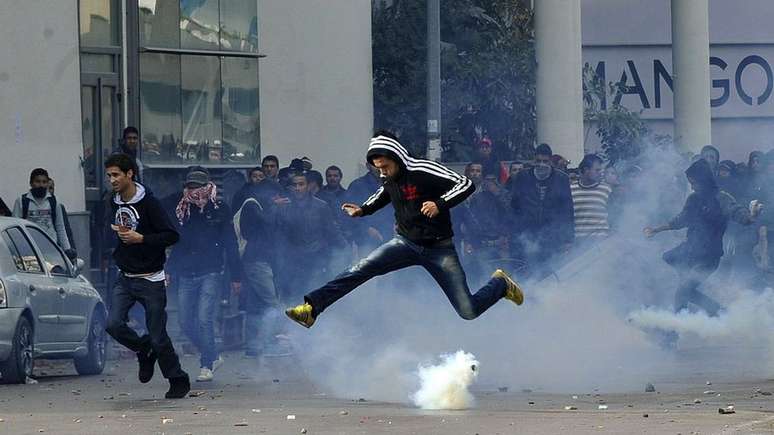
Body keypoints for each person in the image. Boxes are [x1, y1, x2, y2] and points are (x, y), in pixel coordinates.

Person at [284, 132, 525, 329]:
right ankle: (311, 309)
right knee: (360, 269)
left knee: (468, 310)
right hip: (405, 243)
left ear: (396, 158)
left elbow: (466, 184)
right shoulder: (389, 176)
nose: (382, 173)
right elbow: (384, 193)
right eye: (378, 168)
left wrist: (439, 203)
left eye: (385, 167)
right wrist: (363, 209)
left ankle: (501, 284)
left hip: (439, 249)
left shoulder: (423, 169)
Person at [103, 153, 190, 399]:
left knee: (158, 335)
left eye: (116, 175)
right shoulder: (112, 201)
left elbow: (171, 235)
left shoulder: (150, 203)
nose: (112, 180)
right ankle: (144, 349)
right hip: (125, 276)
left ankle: (177, 378)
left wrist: (141, 238)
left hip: (151, 278)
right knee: (113, 324)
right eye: (109, 176)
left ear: (130, 174)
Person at [644, 159, 761, 316]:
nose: (692, 187)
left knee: (683, 291)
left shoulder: (722, 198)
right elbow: (681, 220)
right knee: (682, 284)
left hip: (709, 257)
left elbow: (738, 213)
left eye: (694, 183)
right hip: (689, 251)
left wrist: (752, 216)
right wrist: (656, 230)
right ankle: (716, 312)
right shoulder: (693, 199)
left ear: (704, 181)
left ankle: (685, 322)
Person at [168, 167, 240, 382]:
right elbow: (178, 243)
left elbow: (230, 243)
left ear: (207, 187)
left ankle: (206, 364)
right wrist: (170, 269)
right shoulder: (183, 209)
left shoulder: (220, 209)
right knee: (184, 321)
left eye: (198, 187)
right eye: (190, 187)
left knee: (204, 319)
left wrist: (236, 276)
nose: (194, 192)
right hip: (186, 272)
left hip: (211, 271)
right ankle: (213, 354)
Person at [274, 172, 347, 303]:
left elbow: (332, 231)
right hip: (294, 261)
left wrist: (345, 249)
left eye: (301, 184)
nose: (298, 188)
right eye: (295, 185)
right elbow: (278, 234)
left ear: (308, 186)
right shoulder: (285, 207)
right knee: (294, 297)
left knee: (315, 294)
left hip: (317, 258)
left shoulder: (321, 206)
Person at [510, 144, 575, 277]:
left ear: (550, 161)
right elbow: (514, 206)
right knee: (526, 273)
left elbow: (567, 210)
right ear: (534, 160)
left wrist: (568, 239)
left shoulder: (561, 179)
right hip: (527, 234)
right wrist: (513, 233)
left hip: (552, 235)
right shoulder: (523, 177)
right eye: (538, 161)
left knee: (550, 272)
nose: (541, 165)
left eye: (545, 161)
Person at [13, 168, 72, 251]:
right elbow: (15, 229)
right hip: (30, 248)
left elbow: (60, 228)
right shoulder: (21, 201)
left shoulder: (54, 201)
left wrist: (67, 249)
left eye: (44, 182)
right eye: (37, 181)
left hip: (51, 248)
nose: (41, 185)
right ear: (31, 183)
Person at [571, 154, 612, 242]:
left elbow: (615, 215)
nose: (600, 173)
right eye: (597, 170)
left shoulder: (607, 189)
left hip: (601, 241)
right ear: (586, 170)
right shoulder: (571, 189)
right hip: (578, 242)